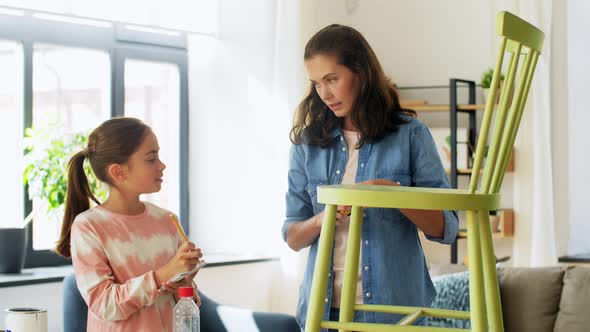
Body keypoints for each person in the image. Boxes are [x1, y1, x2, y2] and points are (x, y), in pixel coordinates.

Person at [282, 24, 459, 329]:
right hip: (323, 312)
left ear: (360, 72)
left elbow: (447, 227)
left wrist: (395, 195)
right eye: (316, 84)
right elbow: (292, 236)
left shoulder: (410, 135)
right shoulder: (307, 145)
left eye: (332, 79)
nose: (324, 94)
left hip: (394, 311)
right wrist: (322, 219)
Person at [55, 117, 203, 332]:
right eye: (151, 158)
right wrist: (163, 275)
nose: (162, 165)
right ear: (118, 172)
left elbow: (186, 301)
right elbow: (104, 305)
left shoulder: (167, 220)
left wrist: (184, 283)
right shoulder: (89, 227)